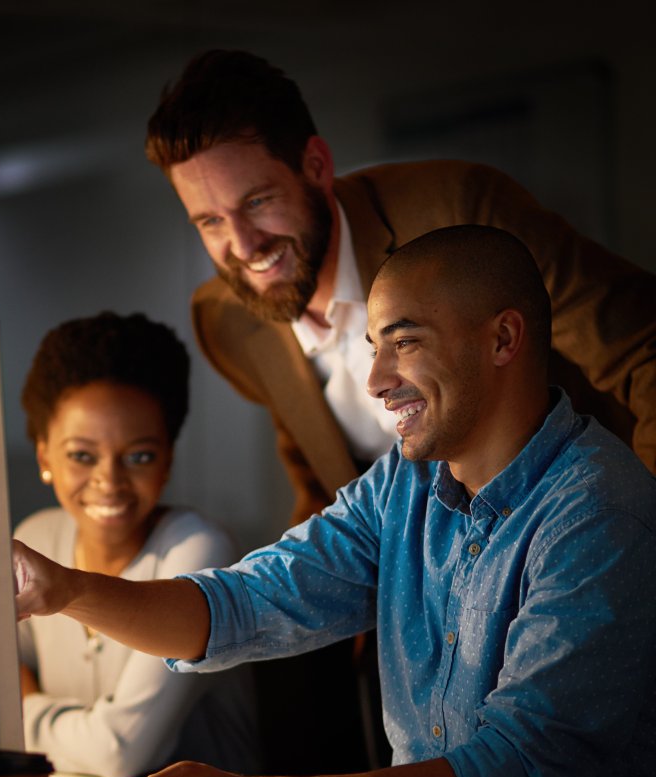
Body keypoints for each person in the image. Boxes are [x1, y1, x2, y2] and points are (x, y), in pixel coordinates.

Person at [13, 228, 656, 777]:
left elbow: (510, 776)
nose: (376, 380)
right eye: (374, 347)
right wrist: (61, 590)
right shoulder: (402, 484)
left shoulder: (599, 509)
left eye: (403, 343)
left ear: (503, 338)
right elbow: (244, 605)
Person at [145, 49, 656, 524]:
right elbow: (323, 488)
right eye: (210, 222)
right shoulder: (226, 320)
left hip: (581, 524)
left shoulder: (460, 209)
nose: (243, 244)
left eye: (257, 202)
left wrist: (636, 533)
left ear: (317, 166)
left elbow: (643, 348)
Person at [15, 311, 259, 777]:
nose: (110, 481)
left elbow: (119, 754)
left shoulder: (198, 550)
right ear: (45, 456)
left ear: (167, 458)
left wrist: (16, 716)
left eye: (139, 456)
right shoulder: (36, 540)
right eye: (82, 456)